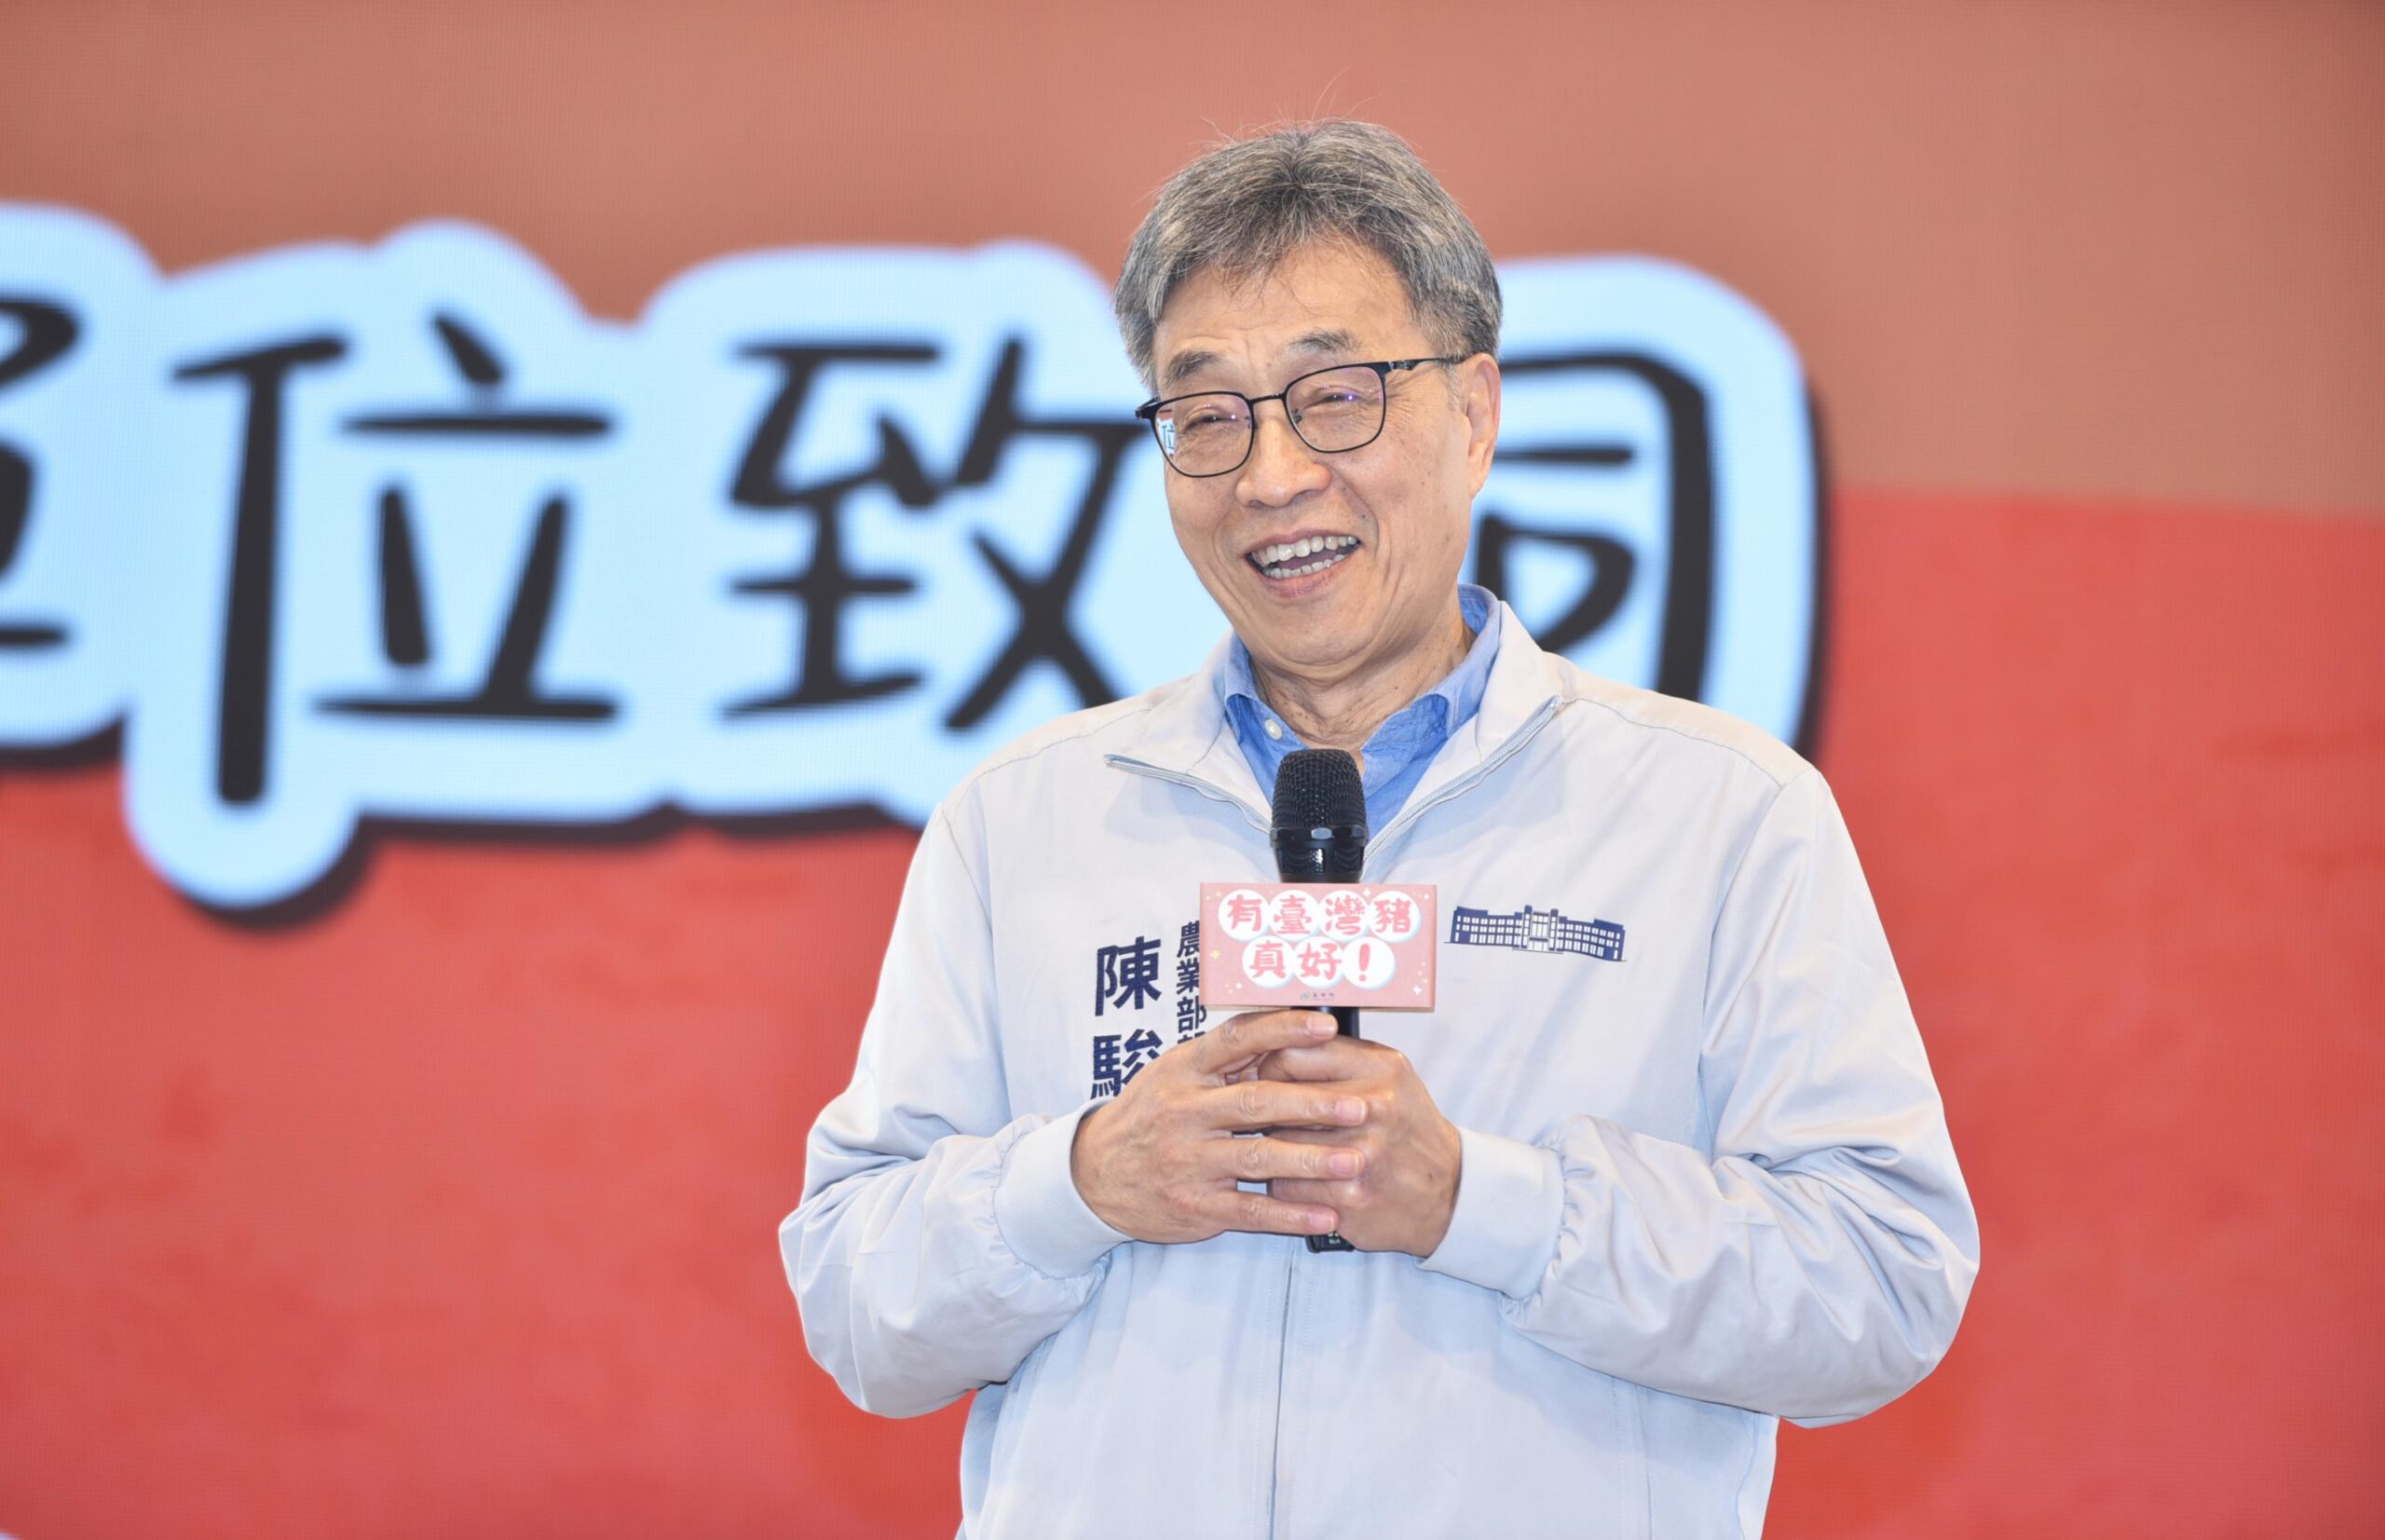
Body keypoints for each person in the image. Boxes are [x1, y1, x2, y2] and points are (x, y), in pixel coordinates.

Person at [783, 120, 1976, 1540]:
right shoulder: (1022, 820)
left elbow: (1884, 1278)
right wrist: (1083, 1178)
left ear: (1474, 412)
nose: (1272, 475)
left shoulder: (1721, 814)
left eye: (1336, 396)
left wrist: (1481, 1201)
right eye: (1207, 415)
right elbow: (856, 1302)